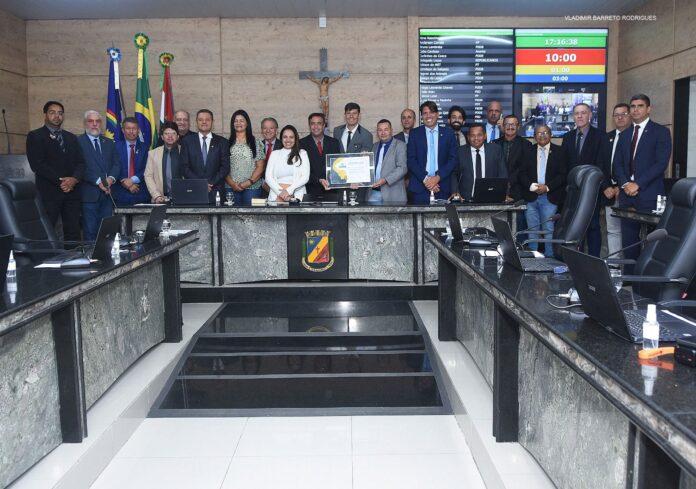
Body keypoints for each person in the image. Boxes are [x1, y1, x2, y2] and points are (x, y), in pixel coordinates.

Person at [613, 94, 672, 269]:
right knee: (629, 242)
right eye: (633, 106)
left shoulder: (660, 132)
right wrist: (625, 184)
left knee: (652, 242)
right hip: (627, 195)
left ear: (648, 109)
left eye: (640, 106)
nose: (636, 109)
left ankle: (648, 276)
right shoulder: (624, 135)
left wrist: (637, 184)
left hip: (649, 194)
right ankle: (629, 278)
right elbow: (617, 164)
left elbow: (661, 164)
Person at [26, 101, 84, 243]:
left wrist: (74, 179)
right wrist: (62, 182)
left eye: (60, 113)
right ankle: (48, 257)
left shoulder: (71, 137)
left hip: (72, 193)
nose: (57, 116)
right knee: (47, 232)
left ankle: (73, 257)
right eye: (52, 113)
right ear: (45, 115)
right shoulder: (35, 136)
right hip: (49, 193)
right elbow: (37, 165)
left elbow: (81, 163)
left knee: (73, 232)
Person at [561, 103, 603, 255]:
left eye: (583, 113)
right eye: (576, 113)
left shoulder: (600, 136)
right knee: (574, 227)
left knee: (593, 226)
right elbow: (564, 165)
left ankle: (593, 261)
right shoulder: (568, 137)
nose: (579, 116)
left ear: (590, 115)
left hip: (592, 191)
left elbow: (601, 163)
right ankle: (575, 260)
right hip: (573, 191)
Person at [519, 125, 567, 258]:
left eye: (545, 132)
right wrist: (532, 186)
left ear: (550, 135)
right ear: (534, 136)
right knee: (532, 230)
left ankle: (550, 258)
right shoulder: (527, 151)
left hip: (549, 196)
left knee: (548, 230)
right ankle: (533, 258)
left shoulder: (559, 152)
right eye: (539, 133)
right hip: (531, 196)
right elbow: (521, 173)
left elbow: (562, 175)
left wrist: (547, 187)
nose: (542, 135)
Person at [77, 110, 119, 240]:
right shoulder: (78, 142)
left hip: (107, 195)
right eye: (91, 121)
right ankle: (90, 254)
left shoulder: (109, 142)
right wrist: (98, 181)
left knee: (106, 232)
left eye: (98, 121)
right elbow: (79, 167)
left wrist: (110, 179)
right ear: (85, 123)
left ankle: (105, 254)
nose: (94, 124)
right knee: (90, 231)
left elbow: (116, 165)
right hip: (89, 195)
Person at [406, 101, 458, 204]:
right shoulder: (414, 134)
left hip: (442, 186)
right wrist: (427, 180)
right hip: (420, 187)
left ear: (437, 114)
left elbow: (453, 160)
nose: (428, 116)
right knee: (419, 215)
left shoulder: (448, 133)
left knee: (442, 215)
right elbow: (411, 160)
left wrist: (437, 178)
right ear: (421, 116)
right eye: (425, 113)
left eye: (431, 112)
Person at [599, 103, 632, 258]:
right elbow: (600, 164)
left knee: (630, 232)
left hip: (629, 192)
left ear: (629, 116)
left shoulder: (635, 136)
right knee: (612, 230)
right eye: (616, 115)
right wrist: (606, 186)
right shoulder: (606, 138)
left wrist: (621, 185)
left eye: (623, 114)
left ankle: (629, 266)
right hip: (609, 192)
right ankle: (614, 265)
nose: (620, 118)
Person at [179, 109, 230, 202]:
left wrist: (210, 183)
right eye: (201, 119)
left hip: (216, 192)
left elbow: (225, 168)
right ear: (196, 122)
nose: (204, 122)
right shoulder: (187, 141)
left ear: (212, 122)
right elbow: (184, 167)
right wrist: (201, 184)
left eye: (207, 119)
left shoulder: (222, 142)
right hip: (194, 191)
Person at [450, 123, 506, 201]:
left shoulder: (495, 150)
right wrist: (455, 192)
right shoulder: (460, 152)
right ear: (468, 137)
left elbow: (502, 174)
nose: (476, 138)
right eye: (472, 135)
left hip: (491, 197)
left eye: (479, 135)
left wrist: (504, 194)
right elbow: (454, 174)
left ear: (485, 136)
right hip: (465, 199)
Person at [226, 109, 265, 205]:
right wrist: (232, 184)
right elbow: (223, 166)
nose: (238, 123)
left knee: (250, 214)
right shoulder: (226, 142)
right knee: (230, 214)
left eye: (241, 120)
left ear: (247, 123)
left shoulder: (256, 142)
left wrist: (247, 183)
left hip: (252, 187)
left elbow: (260, 167)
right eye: (236, 121)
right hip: (231, 187)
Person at [299, 112, 341, 196]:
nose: (316, 127)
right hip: (309, 191)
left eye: (319, 123)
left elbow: (338, 166)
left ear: (324, 125)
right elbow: (300, 171)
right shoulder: (301, 144)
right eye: (313, 123)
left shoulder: (334, 143)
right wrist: (318, 180)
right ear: (309, 125)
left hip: (331, 191)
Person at [265, 125, 310, 202]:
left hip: (296, 196)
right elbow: (268, 177)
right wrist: (280, 193)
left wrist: (289, 191)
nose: (288, 140)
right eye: (285, 137)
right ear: (281, 138)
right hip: (276, 196)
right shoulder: (274, 154)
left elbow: (305, 177)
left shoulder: (302, 153)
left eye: (291, 137)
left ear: (295, 139)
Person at [493, 114, 532, 202]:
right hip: (498, 189)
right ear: (503, 126)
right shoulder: (494, 144)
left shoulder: (526, 145)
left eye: (513, 124)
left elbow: (525, 168)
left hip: (519, 190)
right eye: (507, 124)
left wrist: (510, 182)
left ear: (518, 127)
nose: (510, 127)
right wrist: (503, 183)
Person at [368, 119, 407, 204]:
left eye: (386, 129)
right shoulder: (374, 146)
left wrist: (385, 180)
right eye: (380, 130)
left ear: (391, 130)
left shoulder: (400, 145)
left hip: (393, 194)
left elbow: (402, 168)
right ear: (377, 132)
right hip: (374, 192)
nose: (383, 133)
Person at [112, 117, 150, 205]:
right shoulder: (114, 147)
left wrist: (132, 180)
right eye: (128, 128)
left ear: (138, 130)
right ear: (123, 130)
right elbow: (112, 166)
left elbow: (147, 168)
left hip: (140, 193)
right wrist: (124, 181)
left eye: (134, 128)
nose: (131, 131)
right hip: (120, 194)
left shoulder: (145, 148)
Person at [144, 121, 181, 203]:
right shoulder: (153, 153)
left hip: (181, 198)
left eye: (173, 133)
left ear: (178, 136)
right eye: (166, 133)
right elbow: (148, 176)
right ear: (162, 137)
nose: (170, 136)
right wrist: (156, 196)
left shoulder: (184, 152)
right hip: (160, 199)